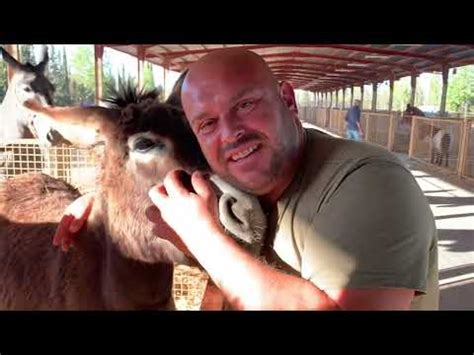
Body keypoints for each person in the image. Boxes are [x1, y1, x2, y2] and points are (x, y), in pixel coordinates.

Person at [53, 49, 439, 310]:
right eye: (207, 124)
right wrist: (99, 200)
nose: (230, 133)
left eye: (246, 105)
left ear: (288, 100)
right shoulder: (230, 181)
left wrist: (204, 239)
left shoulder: (371, 185)